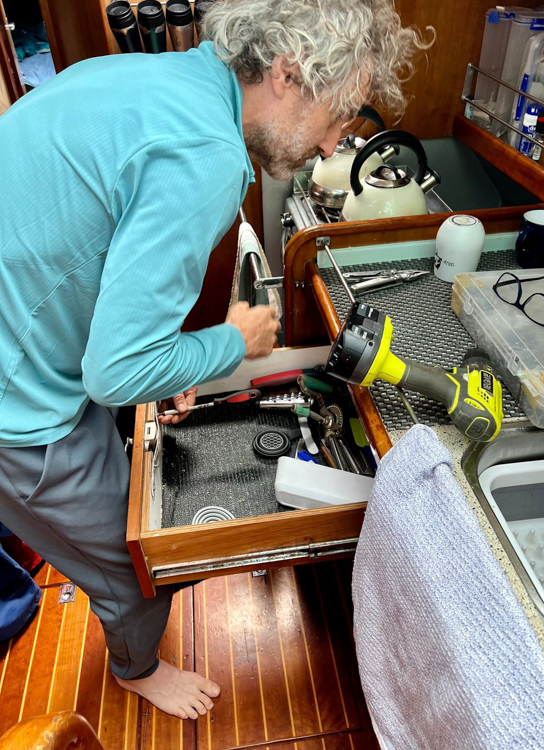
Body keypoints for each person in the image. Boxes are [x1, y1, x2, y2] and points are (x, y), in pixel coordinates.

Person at [0, 0, 430, 721]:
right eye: (340, 116)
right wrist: (232, 342)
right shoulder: (206, 156)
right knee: (141, 561)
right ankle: (135, 668)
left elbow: (93, 266)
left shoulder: (152, 78)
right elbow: (117, 372)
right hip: (19, 405)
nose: (333, 147)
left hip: (27, 335)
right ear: (291, 74)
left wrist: (173, 363)